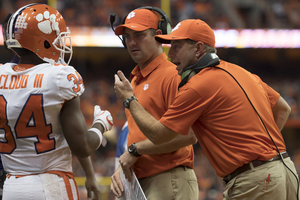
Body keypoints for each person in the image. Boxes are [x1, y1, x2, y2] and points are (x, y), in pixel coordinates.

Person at [114, 19, 300, 200]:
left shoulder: (197, 85)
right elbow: (283, 109)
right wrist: (264, 154)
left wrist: (129, 99)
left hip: (255, 180)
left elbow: (158, 134)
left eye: (177, 46)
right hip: (285, 171)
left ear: (198, 49)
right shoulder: (242, 72)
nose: (171, 55)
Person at [0, 4, 113, 200]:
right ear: (42, 41)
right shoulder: (59, 78)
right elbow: (83, 146)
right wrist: (101, 124)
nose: (60, 43)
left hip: (12, 185)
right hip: (51, 184)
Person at [110, 8, 199, 200]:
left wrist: (136, 150)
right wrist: (124, 167)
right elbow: (138, 136)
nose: (132, 42)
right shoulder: (134, 81)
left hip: (169, 177)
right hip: (141, 182)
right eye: (127, 36)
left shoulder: (172, 74)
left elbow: (190, 134)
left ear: (158, 36)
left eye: (139, 35)